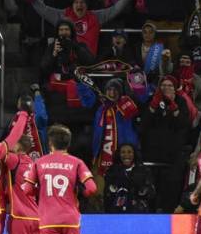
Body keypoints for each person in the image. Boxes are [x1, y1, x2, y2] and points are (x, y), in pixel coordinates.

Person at [25, 0, 132, 58]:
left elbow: (114, 9)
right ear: (72, 5)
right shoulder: (64, 15)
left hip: (87, 63)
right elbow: (43, 10)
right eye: (76, 2)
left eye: (82, 2)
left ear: (87, 5)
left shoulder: (95, 17)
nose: (79, 5)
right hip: (66, 61)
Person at [140, 76, 191, 213]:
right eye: (163, 85)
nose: (166, 88)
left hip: (172, 158)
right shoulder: (152, 101)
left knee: (170, 192)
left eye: (169, 85)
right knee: (151, 191)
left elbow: (184, 125)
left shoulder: (181, 102)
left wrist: (175, 110)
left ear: (175, 89)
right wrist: (152, 107)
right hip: (152, 156)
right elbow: (142, 125)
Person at [78, 78, 139, 176]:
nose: (112, 93)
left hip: (124, 155)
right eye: (109, 90)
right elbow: (86, 98)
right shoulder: (100, 107)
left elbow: (132, 113)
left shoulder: (127, 104)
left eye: (115, 90)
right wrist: (80, 82)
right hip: (101, 157)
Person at [103, 144, 156, 213]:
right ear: (119, 154)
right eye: (123, 152)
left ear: (134, 154)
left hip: (139, 210)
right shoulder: (112, 171)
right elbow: (108, 193)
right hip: (117, 211)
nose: (126, 155)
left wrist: (142, 190)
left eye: (129, 152)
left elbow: (151, 192)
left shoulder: (144, 170)